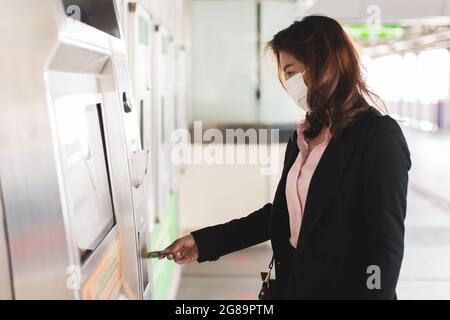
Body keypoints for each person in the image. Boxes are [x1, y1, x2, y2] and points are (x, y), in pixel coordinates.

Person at [163, 15, 412, 299]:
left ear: (324, 66)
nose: (290, 84)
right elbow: (282, 216)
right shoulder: (304, 135)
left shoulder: (377, 136)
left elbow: (384, 246)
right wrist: (204, 242)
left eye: (293, 72)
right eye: (286, 75)